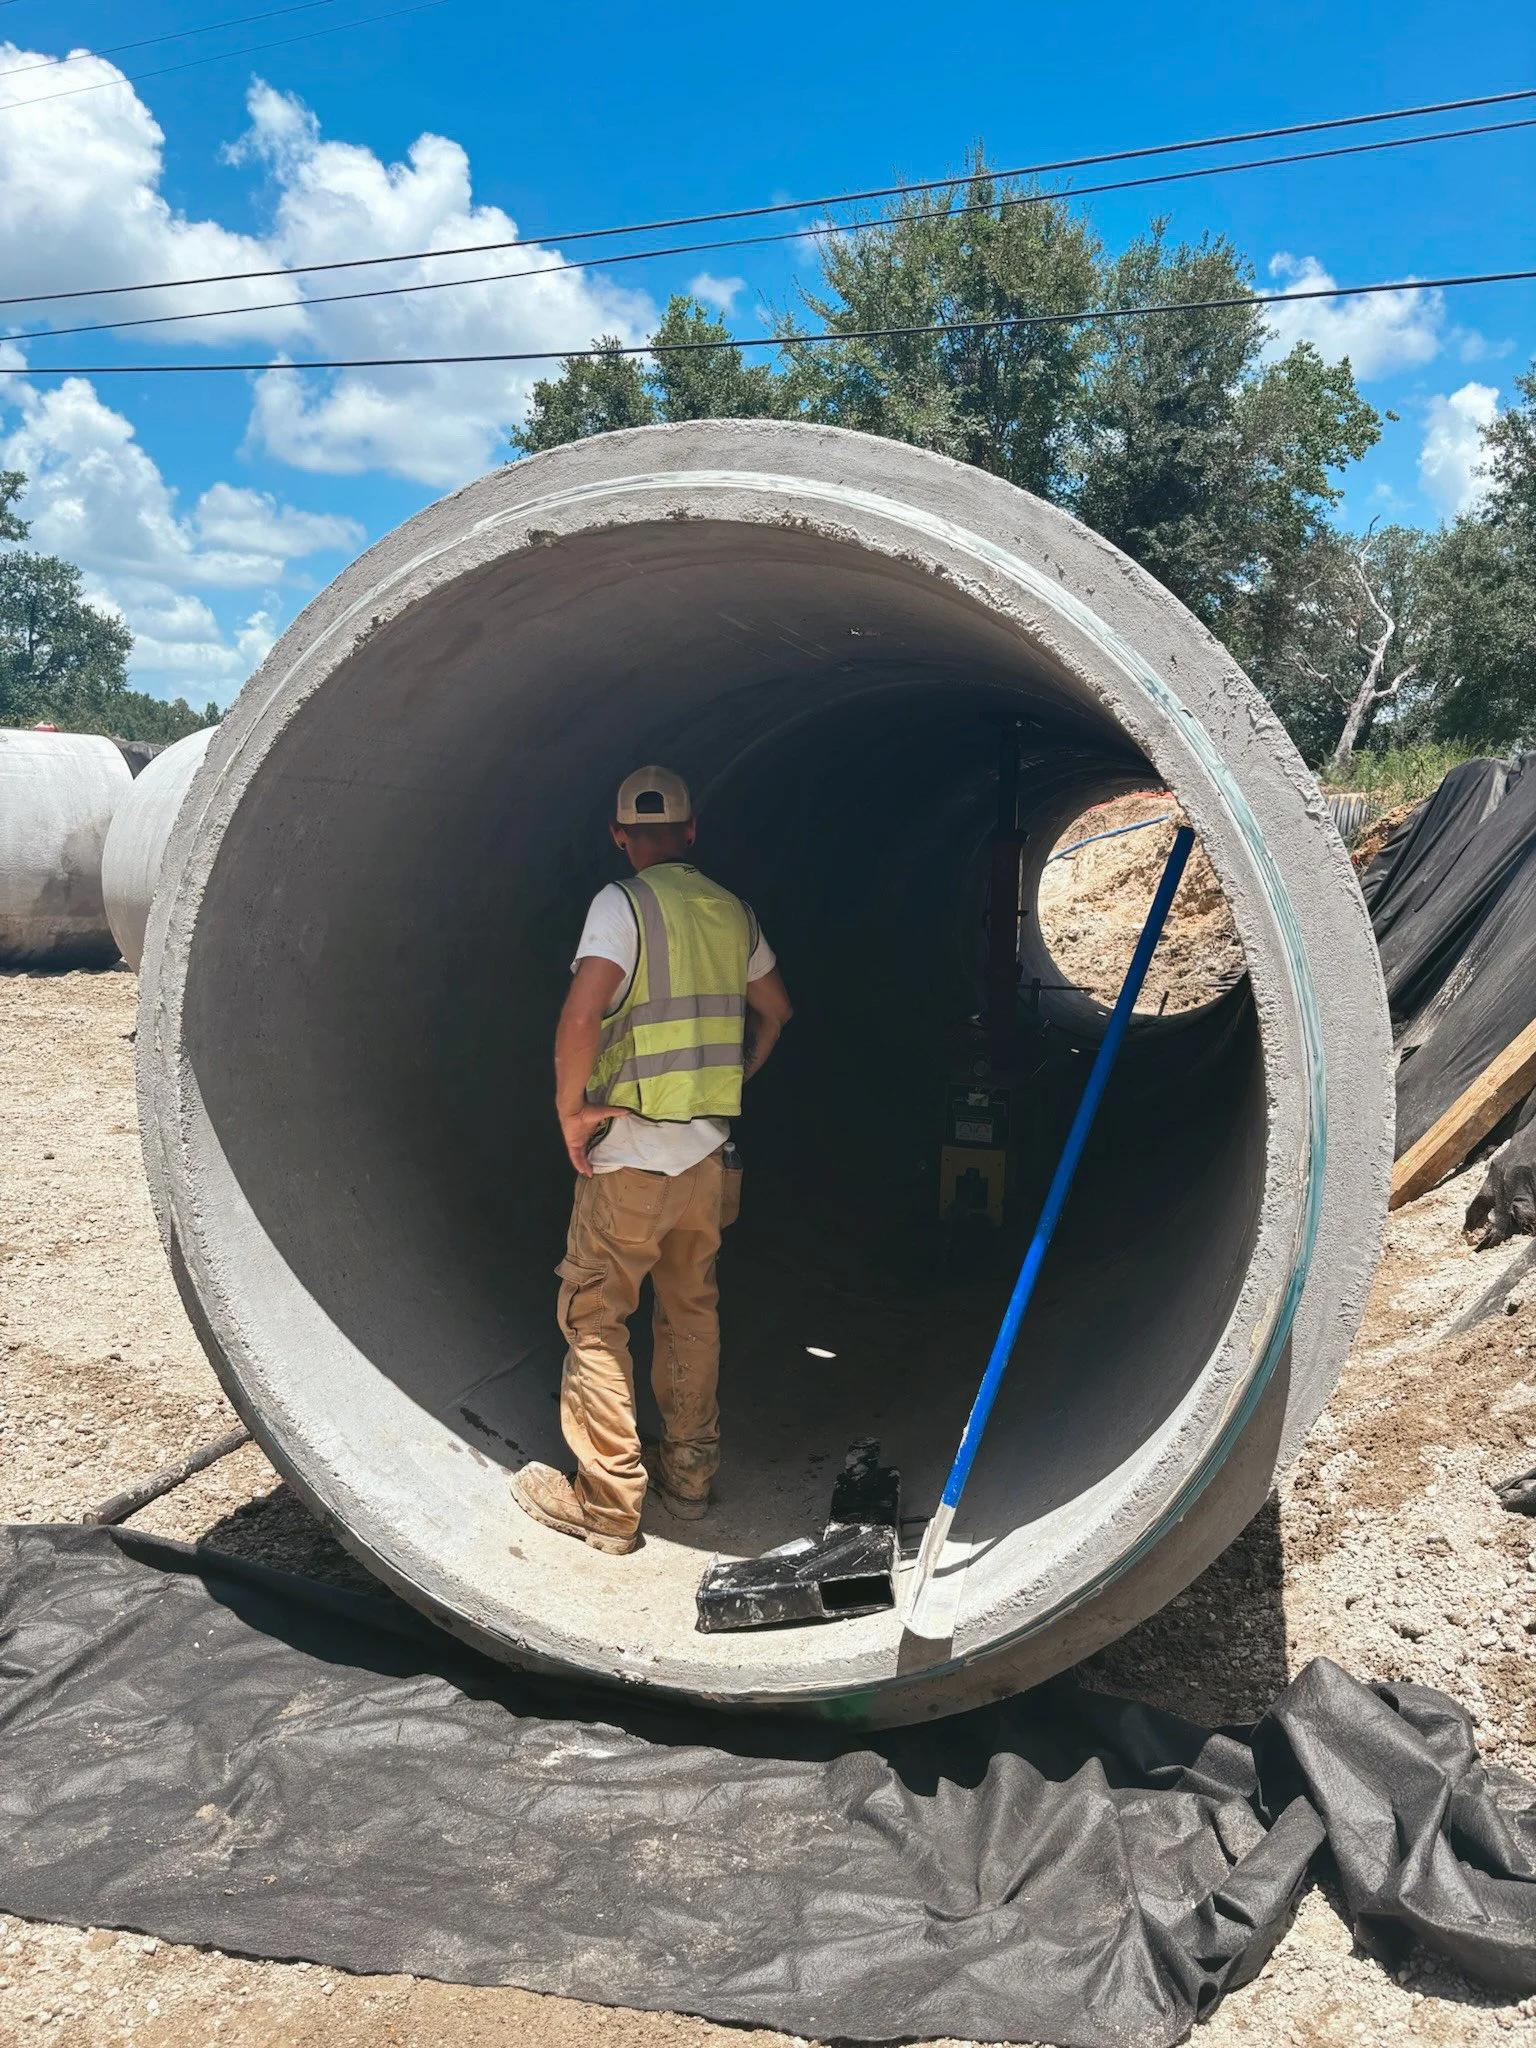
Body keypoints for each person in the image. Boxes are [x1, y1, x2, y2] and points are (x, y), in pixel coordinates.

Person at [510, 766, 794, 1556]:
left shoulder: (621, 904)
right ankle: (691, 1477)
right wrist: (733, 1078)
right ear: (692, 831)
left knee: (597, 1317)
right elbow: (777, 1011)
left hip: (631, 1155)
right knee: (691, 1307)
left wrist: (573, 1114)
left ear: (620, 835)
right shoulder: (732, 911)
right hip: (708, 1159)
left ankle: (606, 1503)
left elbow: (581, 1014)